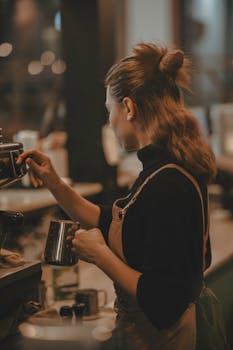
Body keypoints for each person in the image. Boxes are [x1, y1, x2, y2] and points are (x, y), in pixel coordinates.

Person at [17, 42, 228, 350]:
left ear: (128, 108)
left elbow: (162, 302)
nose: (110, 123)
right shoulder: (159, 170)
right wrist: (54, 182)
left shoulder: (169, 183)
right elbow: (113, 220)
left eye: (109, 111)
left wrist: (99, 255)